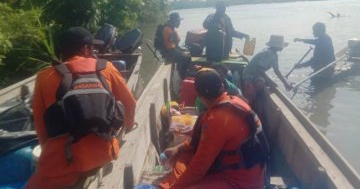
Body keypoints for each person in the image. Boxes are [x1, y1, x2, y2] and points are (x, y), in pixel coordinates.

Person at [27, 27, 136, 189]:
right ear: (86, 49)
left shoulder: (44, 77)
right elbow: (130, 103)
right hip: (104, 153)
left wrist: (49, 152)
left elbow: (41, 127)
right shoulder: (107, 68)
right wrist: (128, 125)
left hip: (62, 165)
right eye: (92, 48)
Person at [159, 69, 266, 189]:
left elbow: (199, 167)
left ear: (199, 97)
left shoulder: (216, 120)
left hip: (239, 182)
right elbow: (200, 142)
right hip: (250, 174)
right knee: (183, 155)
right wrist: (178, 148)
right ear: (222, 86)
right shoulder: (236, 101)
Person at [241, 35, 293, 103]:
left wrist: (285, 83)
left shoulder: (274, 54)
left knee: (269, 83)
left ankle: (257, 98)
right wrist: (270, 82)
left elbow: (277, 70)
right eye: (281, 45)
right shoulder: (267, 54)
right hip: (249, 75)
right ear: (277, 46)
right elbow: (260, 70)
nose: (282, 47)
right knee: (261, 82)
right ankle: (252, 100)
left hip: (256, 74)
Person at [162, 12, 190, 78]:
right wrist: (181, 53)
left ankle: (182, 73)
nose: (180, 23)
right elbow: (169, 48)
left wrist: (182, 50)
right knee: (185, 57)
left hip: (172, 50)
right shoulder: (167, 30)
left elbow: (176, 43)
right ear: (174, 21)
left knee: (187, 53)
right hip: (168, 52)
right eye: (178, 21)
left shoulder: (172, 29)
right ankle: (182, 76)